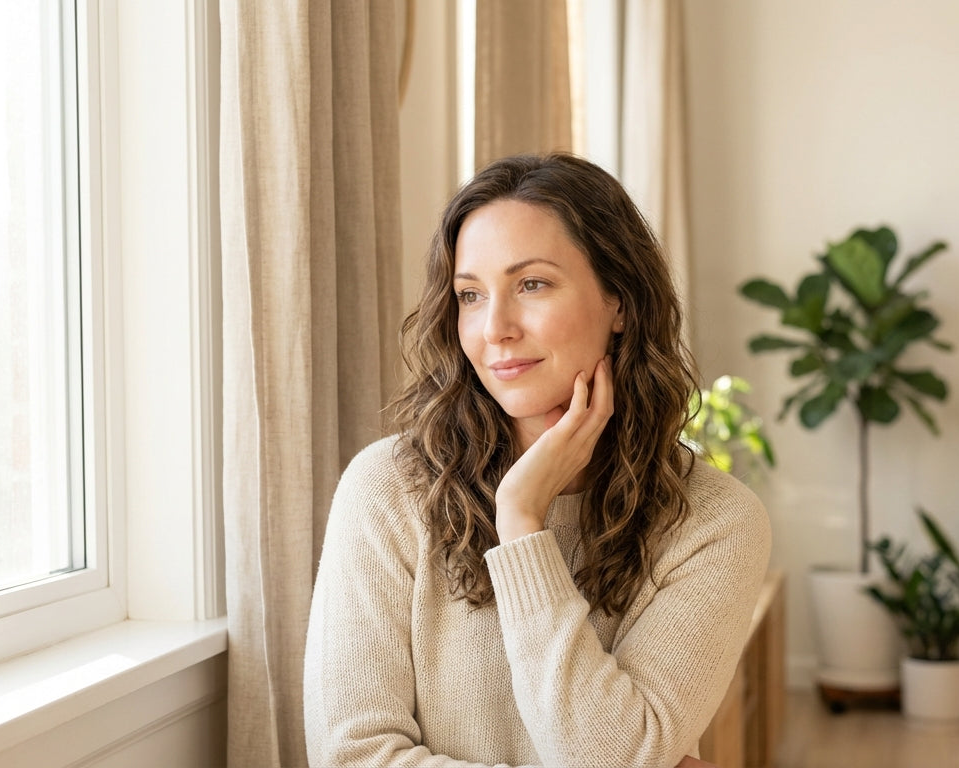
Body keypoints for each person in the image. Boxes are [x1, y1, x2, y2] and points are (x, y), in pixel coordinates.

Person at [303, 153, 771, 768]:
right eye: (470, 295)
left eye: (532, 284)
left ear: (620, 300)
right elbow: (350, 757)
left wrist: (521, 519)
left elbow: (611, 759)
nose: (494, 328)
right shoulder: (387, 490)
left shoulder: (714, 521)